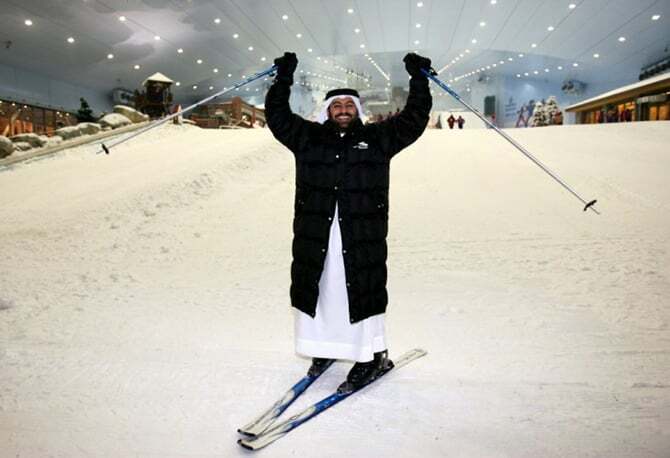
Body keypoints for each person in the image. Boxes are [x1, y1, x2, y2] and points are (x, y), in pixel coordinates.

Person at [265, 51, 433, 393]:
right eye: (336, 106)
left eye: (349, 106)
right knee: (322, 291)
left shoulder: (376, 139)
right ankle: (324, 349)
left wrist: (419, 80)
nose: (343, 110)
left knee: (359, 291)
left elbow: (414, 120)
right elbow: (278, 117)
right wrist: (282, 79)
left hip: (361, 237)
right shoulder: (308, 138)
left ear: (358, 110)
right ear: (327, 111)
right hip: (317, 236)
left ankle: (371, 356)